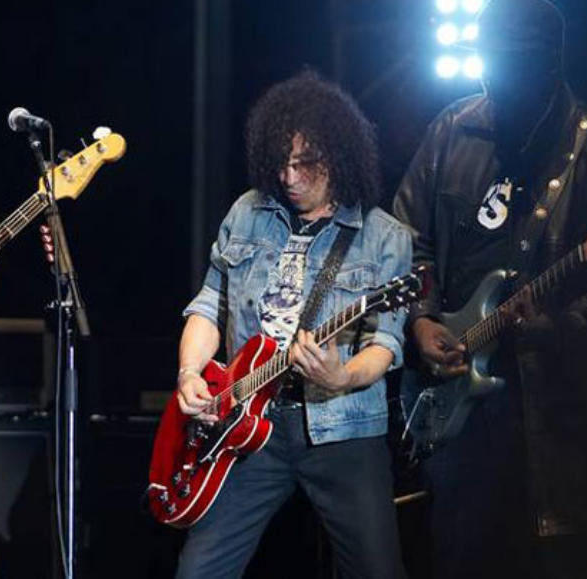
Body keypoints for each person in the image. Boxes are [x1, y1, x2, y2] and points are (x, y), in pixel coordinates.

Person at [393, 1, 587, 577]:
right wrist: (421, 319)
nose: (492, 80)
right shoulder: (453, 130)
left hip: (557, 419)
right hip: (460, 411)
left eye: (509, 66)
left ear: (549, 64)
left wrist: (552, 327)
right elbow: (407, 241)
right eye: (487, 63)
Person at [175, 71, 411, 578]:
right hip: (247, 425)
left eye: (305, 162)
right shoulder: (248, 212)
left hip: (342, 429)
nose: (288, 176)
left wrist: (341, 376)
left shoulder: (384, 237)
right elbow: (209, 305)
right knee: (199, 571)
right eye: (280, 162)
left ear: (339, 155)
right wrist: (190, 373)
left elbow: (386, 343)